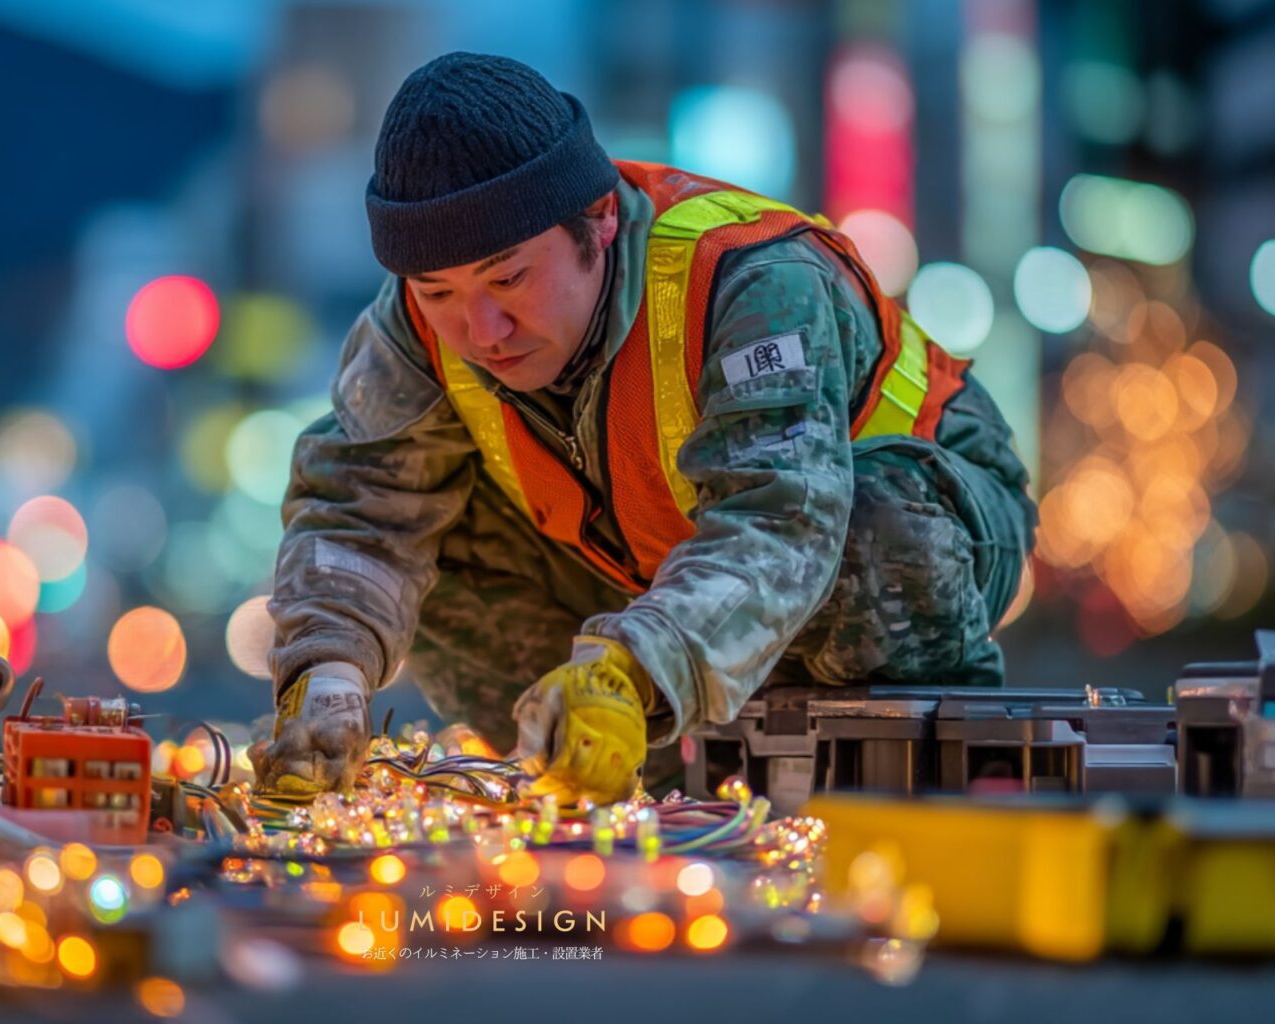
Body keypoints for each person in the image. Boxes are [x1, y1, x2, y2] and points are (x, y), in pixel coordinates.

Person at [251, 52, 1037, 803]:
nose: (481, 327)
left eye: (509, 277)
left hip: (919, 522)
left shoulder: (752, 280)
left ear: (597, 222)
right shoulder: (415, 325)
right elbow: (359, 509)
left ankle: (836, 763)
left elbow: (782, 523)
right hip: (654, 562)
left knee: (874, 532)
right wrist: (328, 678)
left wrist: (634, 671)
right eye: (438, 291)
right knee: (441, 546)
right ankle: (618, 777)